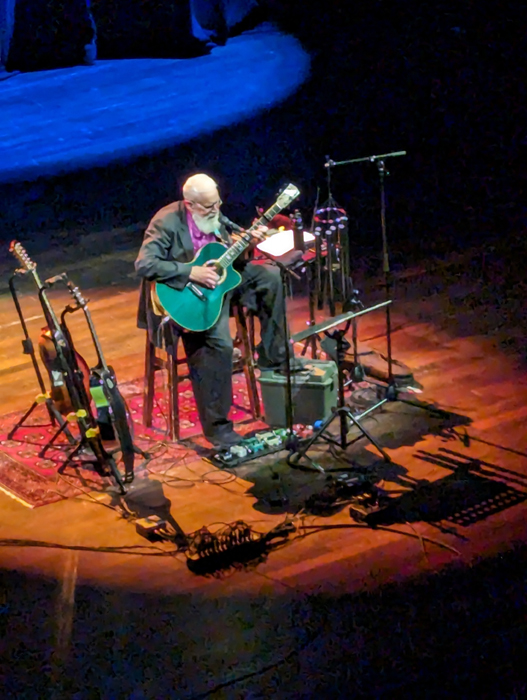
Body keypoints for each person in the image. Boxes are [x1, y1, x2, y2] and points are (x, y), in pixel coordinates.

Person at [135, 173, 297, 449]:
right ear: (190, 204)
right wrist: (191, 271)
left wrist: (247, 243)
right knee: (219, 345)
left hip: (220, 283)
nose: (216, 210)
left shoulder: (215, 217)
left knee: (269, 277)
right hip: (187, 294)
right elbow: (144, 264)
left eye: (218, 203)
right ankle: (218, 428)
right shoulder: (166, 221)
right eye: (209, 207)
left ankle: (274, 356)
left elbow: (224, 256)